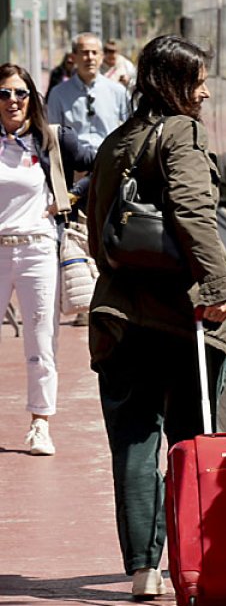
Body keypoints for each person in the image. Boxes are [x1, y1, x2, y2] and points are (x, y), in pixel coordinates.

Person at [85, 35, 226, 600]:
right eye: (197, 79)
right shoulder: (182, 134)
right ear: (174, 84)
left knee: (133, 443)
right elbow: (195, 213)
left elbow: (101, 230)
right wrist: (218, 289)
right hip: (184, 319)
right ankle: (192, 558)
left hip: (120, 316)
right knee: (190, 442)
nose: (205, 90)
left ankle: (143, 572)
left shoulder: (115, 142)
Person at [0, 62, 94, 457]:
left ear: (32, 99)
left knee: (41, 343)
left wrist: (70, 196)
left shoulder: (50, 140)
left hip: (37, 248)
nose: (12, 101)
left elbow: (101, 162)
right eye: (4, 94)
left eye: (20, 93)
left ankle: (41, 424)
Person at [47, 32, 130, 153]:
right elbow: (53, 135)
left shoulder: (118, 92)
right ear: (74, 57)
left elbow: (131, 130)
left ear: (101, 57)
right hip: (74, 165)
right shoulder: (58, 94)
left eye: (94, 53)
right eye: (85, 53)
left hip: (108, 162)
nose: (90, 57)